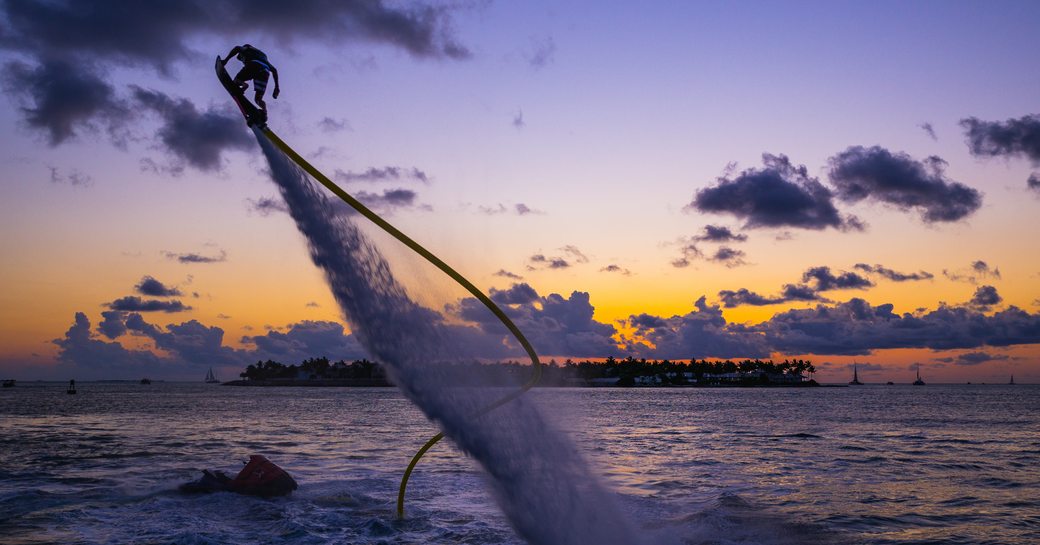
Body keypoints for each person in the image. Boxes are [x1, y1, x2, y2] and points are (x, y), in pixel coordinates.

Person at [221, 44, 280, 112]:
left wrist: (225, 60)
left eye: (241, 58)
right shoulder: (263, 56)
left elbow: (237, 48)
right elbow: (274, 70)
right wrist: (277, 87)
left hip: (254, 65)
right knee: (258, 99)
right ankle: (264, 112)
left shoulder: (248, 48)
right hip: (265, 72)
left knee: (236, 81)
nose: (242, 61)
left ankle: (244, 85)